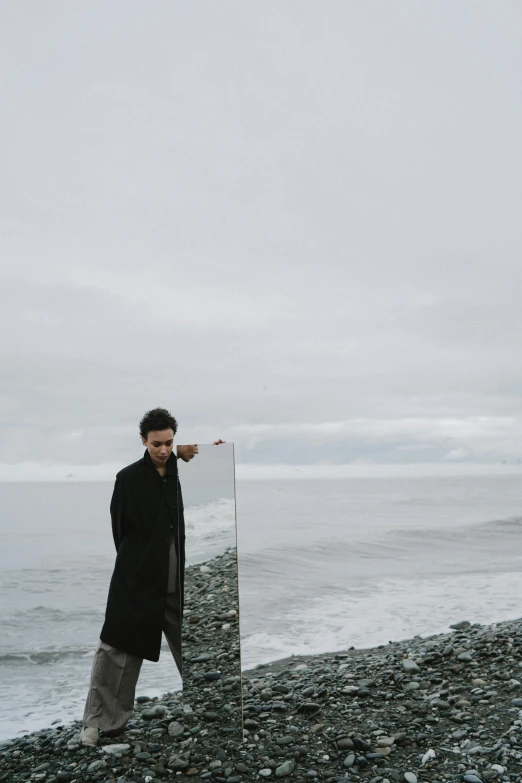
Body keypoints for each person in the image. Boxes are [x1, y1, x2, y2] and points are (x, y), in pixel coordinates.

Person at [79, 407, 224, 746]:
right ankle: (100, 723)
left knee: (197, 643)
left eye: (169, 443)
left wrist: (215, 451)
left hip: (175, 581)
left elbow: (210, 467)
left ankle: (218, 710)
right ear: (143, 441)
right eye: (156, 443)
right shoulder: (127, 478)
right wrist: (137, 567)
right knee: (116, 649)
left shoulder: (180, 468)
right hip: (137, 580)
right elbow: (120, 532)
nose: (163, 450)